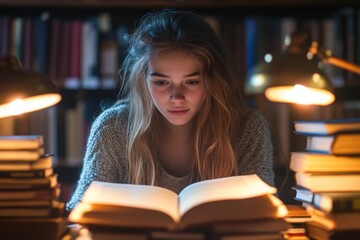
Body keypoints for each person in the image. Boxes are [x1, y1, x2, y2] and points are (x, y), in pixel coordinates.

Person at [66, 9, 274, 211]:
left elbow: (262, 214)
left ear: (211, 81)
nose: (177, 98)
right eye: (162, 83)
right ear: (142, 79)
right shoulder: (112, 129)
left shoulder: (247, 129)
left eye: (191, 82)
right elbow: (78, 215)